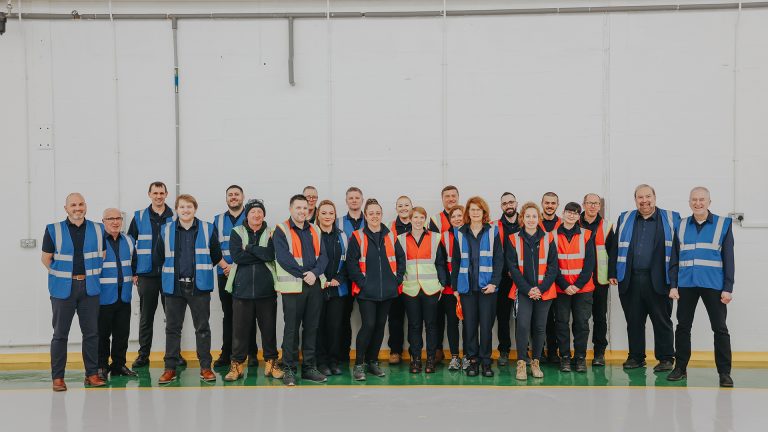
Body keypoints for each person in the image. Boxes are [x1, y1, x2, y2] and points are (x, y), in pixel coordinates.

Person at [154, 194, 226, 384]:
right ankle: (169, 369)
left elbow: (216, 255)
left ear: (195, 208)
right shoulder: (166, 230)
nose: (185, 210)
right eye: (182, 207)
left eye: (189, 207)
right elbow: (158, 257)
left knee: (202, 328)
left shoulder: (207, 228)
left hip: (199, 286)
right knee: (172, 329)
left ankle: (205, 368)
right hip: (173, 287)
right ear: (176, 209)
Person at [667, 187, 734, 387]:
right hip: (686, 284)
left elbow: (729, 258)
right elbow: (674, 258)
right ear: (689, 202)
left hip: (714, 284)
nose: (698, 203)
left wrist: (728, 287)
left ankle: (724, 373)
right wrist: (673, 285)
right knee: (683, 327)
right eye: (694, 200)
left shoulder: (723, 224)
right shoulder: (681, 224)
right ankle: (680, 368)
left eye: (702, 199)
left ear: (709, 202)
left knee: (720, 328)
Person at [609, 184, 680, 372]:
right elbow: (615, 246)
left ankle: (666, 358)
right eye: (640, 197)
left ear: (655, 197)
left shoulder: (672, 218)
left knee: (662, 321)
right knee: (634, 321)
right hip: (630, 279)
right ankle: (636, 357)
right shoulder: (625, 218)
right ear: (635, 200)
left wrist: (675, 281)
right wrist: (612, 272)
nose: (644, 200)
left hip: (660, 279)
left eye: (648, 196)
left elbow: (678, 250)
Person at [42, 193, 106, 391]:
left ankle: (92, 374)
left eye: (80, 204)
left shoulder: (98, 229)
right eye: (73, 205)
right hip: (63, 290)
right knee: (60, 335)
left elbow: (102, 255)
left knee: (92, 334)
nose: (77, 208)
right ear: (66, 208)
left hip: (90, 287)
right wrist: (62, 276)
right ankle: (58, 378)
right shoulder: (53, 230)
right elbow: (46, 259)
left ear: (85, 206)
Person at [224, 199, 283, 381]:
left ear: (263, 215)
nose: (256, 215)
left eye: (259, 212)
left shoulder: (272, 232)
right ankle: (236, 365)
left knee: (269, 330)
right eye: (253, 212)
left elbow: (271, 254)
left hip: (266, 290)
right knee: (240, 332)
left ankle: (271, 363)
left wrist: (249, 248)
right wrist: (260, 254)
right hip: (242, 290)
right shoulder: (237, 232)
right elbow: (237, 257)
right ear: (247, 214)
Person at [346, 198, 406, 381]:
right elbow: (351, 264)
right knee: (369, 325)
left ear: (381, 214)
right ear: (365, 215)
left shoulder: (390, 236)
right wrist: (363, 283)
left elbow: (401, 259)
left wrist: (396, 281)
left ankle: (372, 362)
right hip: (366, 292)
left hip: (387, 291)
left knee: (380, 326)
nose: (374, 216)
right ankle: (359, 364)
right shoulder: (357, 236)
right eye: (371, 213)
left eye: (377, 213)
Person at [273, 194, 329, 386]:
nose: (302, 211)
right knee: (291, 329)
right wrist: (305, 274)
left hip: (314, 285)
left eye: (305, 208)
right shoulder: (281, 229)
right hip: (293, 287)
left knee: (312, 327)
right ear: (291, 209)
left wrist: (315, 273)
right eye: (298, 208)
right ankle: (289, 369)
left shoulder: (315, 229)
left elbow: (323, 256)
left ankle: (309, 368)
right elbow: (283, 258)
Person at [128, 181, 184, 368]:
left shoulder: (175, 216)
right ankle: (143, 355)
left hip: (170, 273)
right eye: (155, 193)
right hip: (146, 275)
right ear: (149, 194)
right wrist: (134, 271)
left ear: (166, 194)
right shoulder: (139, 217)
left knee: (173, 317)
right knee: (146, 317)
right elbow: (129, 245)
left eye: (161, 193)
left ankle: (175, 354)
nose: (159, 196)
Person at [450, 197, 504, 377]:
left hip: (487, 288)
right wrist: (455, 287)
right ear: (468, 212)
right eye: (472, 209)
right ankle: (473, 361)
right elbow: (456, 262)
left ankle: (486, 362)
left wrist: (494, 283)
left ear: (484, 212)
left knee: (486, 327)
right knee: (470, 326)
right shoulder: (460, 233)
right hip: (467, 288)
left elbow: (499, 260)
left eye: (478, 209)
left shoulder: (493, 231)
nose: (475, 212)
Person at [506, 202, 558, 381]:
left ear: (539, 218)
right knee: (522, 326)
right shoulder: (513, 239)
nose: (531, 219)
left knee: (539, 327)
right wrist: (528, 289)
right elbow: (512, 268)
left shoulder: (549, 238)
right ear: (522, 218)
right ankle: (521, 363)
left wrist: (540, 289)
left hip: (544, 291)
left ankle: (535, 362)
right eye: (527, 216)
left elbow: (553, 267)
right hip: (523, 292)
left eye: (534, 216)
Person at [398, 207, 448, 374]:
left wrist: (442, 283)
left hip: (431, 289)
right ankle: (416, 359)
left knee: (431, 325)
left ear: (425, 220)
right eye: (415, 217)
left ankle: (431, 359)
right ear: (410, 219)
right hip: (410, 288)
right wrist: (399, 282)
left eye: (421, 217)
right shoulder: (401, 239)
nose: (418, 221)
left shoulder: (435, 237)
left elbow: (440, 263)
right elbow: (399, 264)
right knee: (414, 325)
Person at [212, 185, 258, 368]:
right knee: (228, 314)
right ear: (226, 198)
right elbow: (213, 247)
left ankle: (252, 353)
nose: (233, 197)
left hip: (246, 273)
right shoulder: (218, 220)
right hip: (224, 272)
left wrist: (236, 267)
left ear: (243, 197)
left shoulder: (252, 216)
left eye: (236, 194)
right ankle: (227, 353)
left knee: (249, 314)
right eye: (230, 195)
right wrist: (225, 266)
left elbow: (255, 247)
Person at [554, 202, 596, 373]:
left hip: (583, 289)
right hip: (560, 289)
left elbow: (590, 264)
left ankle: (580, 358)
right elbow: (552, 265)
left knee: (581, 324)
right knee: (561, 323)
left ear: (579, 216)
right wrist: (565, 285)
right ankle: (564, 357)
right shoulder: (552, 236)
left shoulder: (587, 235)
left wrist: (577, 286)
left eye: (576, 213)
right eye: (569, 212)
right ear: (563, 213)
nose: (572, 215)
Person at [97, 208, 138, 381]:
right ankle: (101, 366)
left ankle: (119, 365)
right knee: (102, 335)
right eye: (110, 219)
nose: (115, 222)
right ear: (103, 221)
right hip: (103, 296)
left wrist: (135, 274)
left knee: (122, 334)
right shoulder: (97, 241)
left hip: (124, 295)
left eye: (118, 218)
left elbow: (134, 262)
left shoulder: (129, 240)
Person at [579, 193, 614, 366]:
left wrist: (612, 274)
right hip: (579, 280)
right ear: (583, 204)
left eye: (596, 203)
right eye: (589, 203)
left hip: (600, 279)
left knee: (600, 317)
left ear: (599, 206)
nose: (592, 206)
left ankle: (599, 353)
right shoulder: (574, 223)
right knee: (580, 318)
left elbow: (613, 252)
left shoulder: (607, 226)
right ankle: (579, 354)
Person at [316, 199, 350, 376]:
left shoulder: (342, 236)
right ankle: (321, 362)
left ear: (335, 215)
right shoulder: (313, 234)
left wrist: (339, 278)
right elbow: (310, 261)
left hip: (337, 289)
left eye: (331, 213)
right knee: (319, 327)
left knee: (335, 327)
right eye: (324, 213)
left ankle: (334, 361)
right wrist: (321, 278)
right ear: (318, 215)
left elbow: (348, 260)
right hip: (317, 288)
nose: (327, 216)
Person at [337, 186, 365, 363]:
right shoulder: (338, 222)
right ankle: (343, 355)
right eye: (351, 198)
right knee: (342, 318)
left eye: (357, 198)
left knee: (368, 319)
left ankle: (367, 357)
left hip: (364, 277)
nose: (354, 200)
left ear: (362, 200)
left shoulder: (371, 219)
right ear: (346, 201)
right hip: (344, 277)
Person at [495, 192, 521, 366]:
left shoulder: (526, 222)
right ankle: (504, 350)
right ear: (501, 206)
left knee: (523, 317)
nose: (508, 205)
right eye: (505, 203)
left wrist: (517, 272)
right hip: (503, 279)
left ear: (516, 203)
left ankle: (524, 351)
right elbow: (496, 253)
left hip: (523, 279)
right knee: (503, 317)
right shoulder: (494, 227)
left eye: (511, 202)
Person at [438, 205, 465, 371]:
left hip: (467, 287)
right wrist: (450, 284)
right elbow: (440, 263)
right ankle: (455, 357)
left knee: (469, 323)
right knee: (452, 323)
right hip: (449, 288)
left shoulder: (470, 233)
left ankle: (468, 356)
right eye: (453, 216)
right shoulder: (442, 237)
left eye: (459, 215)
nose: (456, 219)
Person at [387, 195, 413, 365]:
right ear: (396, 208)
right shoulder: (389, 229)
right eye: (400, 205)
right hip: (395, 280)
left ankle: (413, 352)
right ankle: (395, 351)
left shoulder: (420, 224)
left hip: (414, 280)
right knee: (395, 318)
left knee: (414, 318)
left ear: (411, 207)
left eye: (406, 205)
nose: (403, 208)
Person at [539, 191, 562, 364]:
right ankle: (539, 352)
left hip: (560, 279)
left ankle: (553, 352)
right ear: (542, 203)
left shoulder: (563, 224)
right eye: (547, 202)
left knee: (557, 319)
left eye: (553, 203)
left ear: (557, 205)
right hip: (539, 280)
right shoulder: (535, 222)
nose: (550, 206)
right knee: (540, 319)